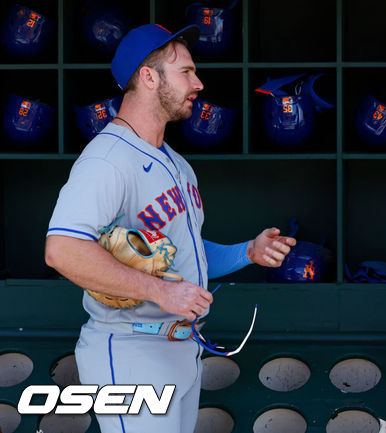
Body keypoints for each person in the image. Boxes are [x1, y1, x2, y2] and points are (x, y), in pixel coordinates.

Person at [44, 24, 296, 433]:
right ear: (148, 77)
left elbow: (185, 252)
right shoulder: (107, 159)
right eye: (186, 72)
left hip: (179, 347)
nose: (198, 82)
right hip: (129, 349)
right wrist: (162, 292)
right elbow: (62, 250)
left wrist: (247, 251)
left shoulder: (177, 163)